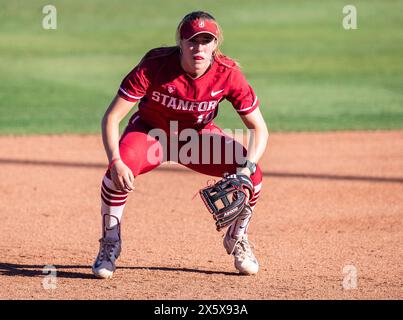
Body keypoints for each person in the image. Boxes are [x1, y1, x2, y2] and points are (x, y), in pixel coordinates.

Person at [92, 11, 269, 279]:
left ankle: (238, 238)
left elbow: (259, 128)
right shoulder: (155, 65)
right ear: (181, 42)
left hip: (196, 140)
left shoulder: (227, 73)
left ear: (215, 44)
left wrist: (245, 170)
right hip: (151, 135)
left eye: (206, 40)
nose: (199, 47)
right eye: (192, 41)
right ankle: (110, 244)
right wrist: (115, 161)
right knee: (118, 171)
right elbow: (112, 117)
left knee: (252, 175)